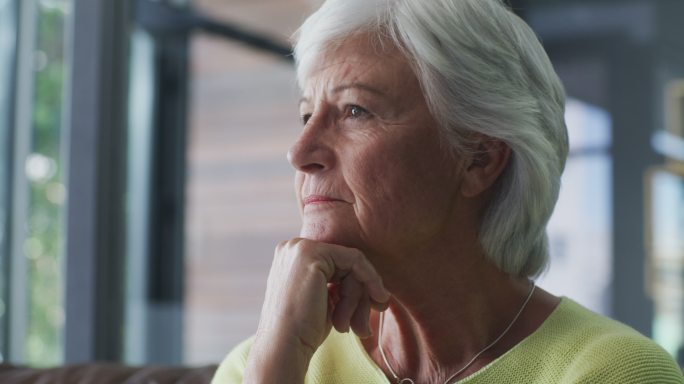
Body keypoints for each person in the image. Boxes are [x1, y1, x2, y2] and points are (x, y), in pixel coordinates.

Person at [212, 0, 684, 383]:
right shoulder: (268, 362)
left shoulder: (611, 372)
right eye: (305, 115)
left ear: (479, 160)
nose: (300, 151)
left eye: (355, 111)